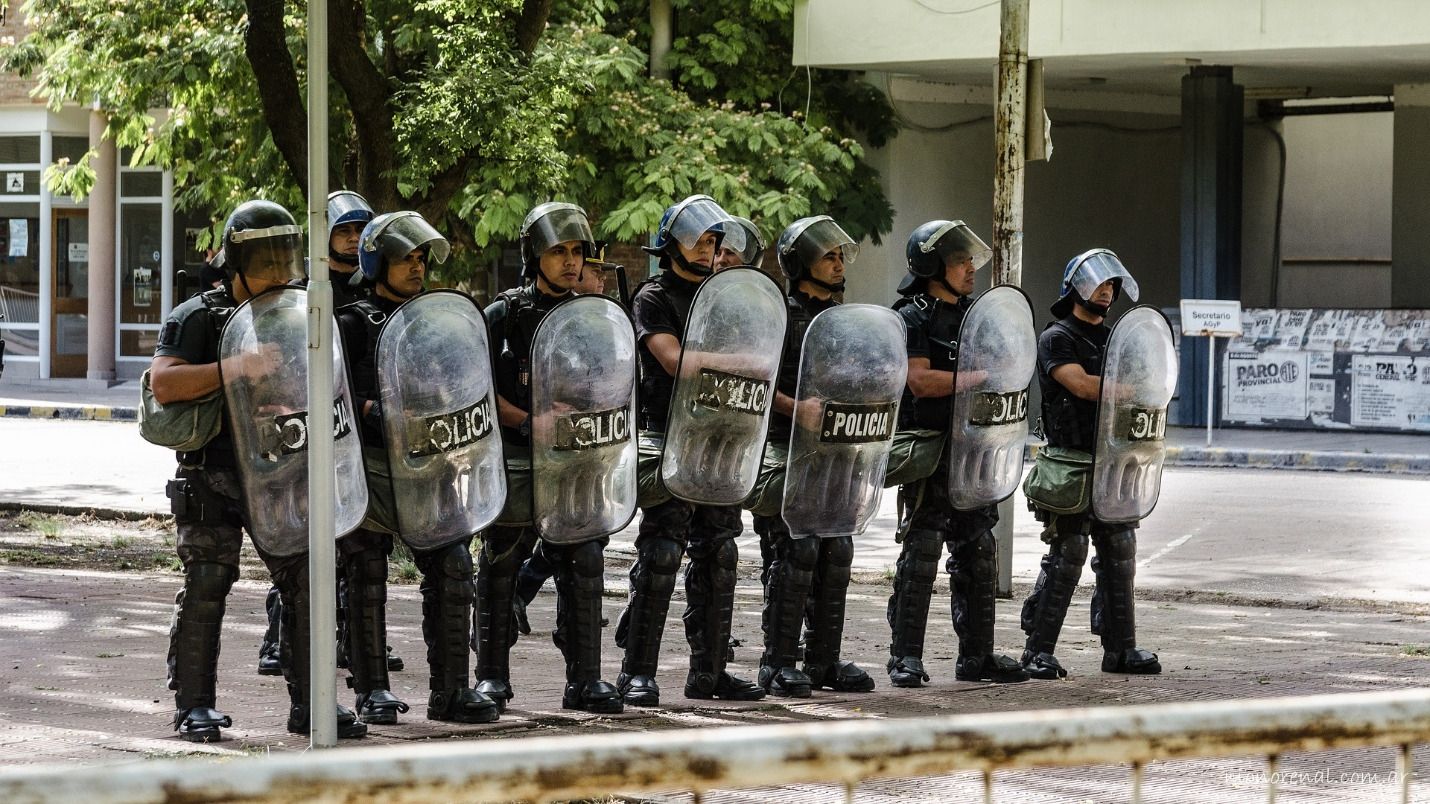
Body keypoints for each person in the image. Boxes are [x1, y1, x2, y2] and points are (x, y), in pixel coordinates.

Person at [153, 199, 366, 741]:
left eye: (283, 260)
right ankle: (193, 705)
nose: (278, 274)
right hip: (214, 474)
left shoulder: (301, 314)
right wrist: (239, 368)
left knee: (305, 583)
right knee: (207, 584)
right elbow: (165, 383)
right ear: (235, 263)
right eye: (265, 262)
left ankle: (313, 703)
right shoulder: (198, 316)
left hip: (282, 471)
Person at [334, 211, 503, 724]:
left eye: (420, 258)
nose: (416, 267)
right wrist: (370, 410)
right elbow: (333, 391)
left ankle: (451, 691)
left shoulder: (432, 320)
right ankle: (372, 691)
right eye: (405, 257)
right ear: (376, 261)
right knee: (365, 571)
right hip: (371, 464)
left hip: (432, 464)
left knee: (453, 564)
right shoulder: (350, 320)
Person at [614, 194, 766, 707]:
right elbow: (673, 361)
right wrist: (734, 361)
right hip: (669, 435)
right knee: (661, 554)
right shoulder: (653, 296)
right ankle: (636, 672)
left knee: (720, 554)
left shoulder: (728, 298)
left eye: (714, 241)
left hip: (722, 436)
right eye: (700, 239)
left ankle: (710, 672)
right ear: (672, 244)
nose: (708, 249)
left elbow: (763, 359)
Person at [474, 202, 624, 714]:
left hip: (576, 459)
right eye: (558, 250)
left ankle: (586, 679)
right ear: (533, 253)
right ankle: (491, 675)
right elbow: (474, 388)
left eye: (577, 251)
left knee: (584, 561)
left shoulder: (595, 318)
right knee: (501, 560)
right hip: (515, 457)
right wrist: (524, 420)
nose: (569, 261)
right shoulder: (505, 313)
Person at [257, 190, 400, 677]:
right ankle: (276, 639)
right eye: (344, 231)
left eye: (361, 231)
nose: (354, 239)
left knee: (359, 543)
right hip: (310, 425)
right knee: (304, 540)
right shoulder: (304, 291)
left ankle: (351, 640)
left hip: (359, 433)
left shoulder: (371, 290)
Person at [884, 219, 1029, 688]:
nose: (971, 268)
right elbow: (919, 381)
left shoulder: (977, 315)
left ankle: (978, 657)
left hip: (976, 451)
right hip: (930, 452)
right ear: (932, 266)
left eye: (970, 260)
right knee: (922, 554)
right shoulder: (912, 316)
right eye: (960, 260)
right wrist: (975, 379)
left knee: (979, 552)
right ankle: (905, 657)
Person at [1019, 249, 1162, 679]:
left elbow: (1151, 380)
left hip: (1113, 459)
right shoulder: (1056, 338)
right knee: (1068, 553)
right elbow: (1079, 385)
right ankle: (1038, 649)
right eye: (1099, 282)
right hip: (1071, 461)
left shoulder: (1118, 337)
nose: (1107, 290)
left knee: (1120, 551)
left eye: (1112, 285)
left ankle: (1121, 649)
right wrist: (1127, 387)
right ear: (1075, 287)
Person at [754, 216, 875, 698]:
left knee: (837, 551)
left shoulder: (847, 319)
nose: (838, 262)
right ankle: (777, 662)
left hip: (839, 450)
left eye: (840, 254)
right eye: (828, 254)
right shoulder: (779, 317)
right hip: (788, 449)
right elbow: (758, 384)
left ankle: (823, 660)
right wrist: (795, 409)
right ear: (800, 262)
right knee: (795, 551)